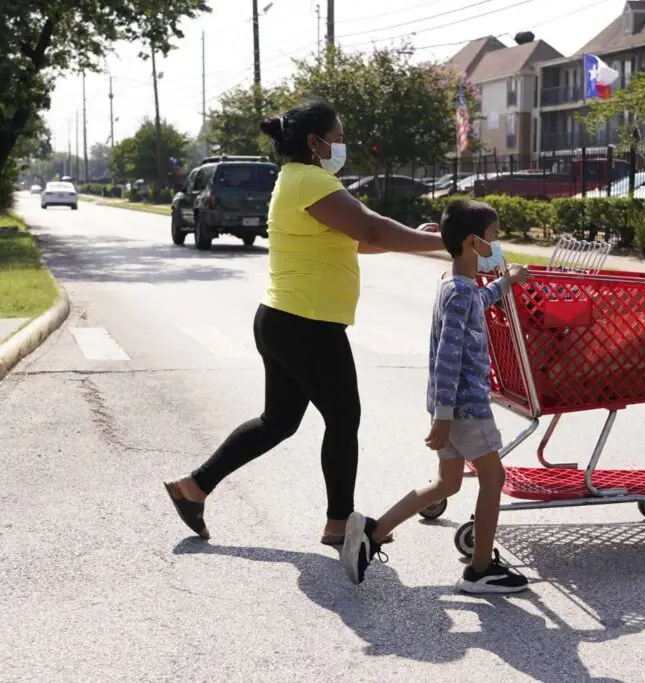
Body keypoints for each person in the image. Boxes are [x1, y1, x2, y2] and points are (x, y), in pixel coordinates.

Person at [163, 100, 444, 546]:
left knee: (278, 422)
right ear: (314, 142)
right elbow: (369, 229)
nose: (341, 145)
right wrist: (446, 241)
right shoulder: (311, 181)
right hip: (306, 324)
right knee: (344, 417)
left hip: (284, 321)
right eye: (336, 137)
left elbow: (356, 242)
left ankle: (193, 488)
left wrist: (418, 239)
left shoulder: (296, 180)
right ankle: (339, 523)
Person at [341, 198, 531, 594]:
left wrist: (505, 283)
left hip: (453, 405)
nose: (497, 246)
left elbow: (477, 302)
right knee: (494, 478)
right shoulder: (460, 292)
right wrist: (444, 415)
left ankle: (373, 533)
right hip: (464, 406)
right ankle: (480, 571)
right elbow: (448, 357)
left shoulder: (455, 283)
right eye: (493, 238)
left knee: (448, 483)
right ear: (472, 242)